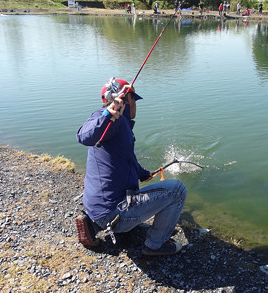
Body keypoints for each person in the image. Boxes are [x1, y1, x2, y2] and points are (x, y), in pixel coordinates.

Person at [76, 77, 187, 256]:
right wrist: (108, 115)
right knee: (177, 190)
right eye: (133, 100)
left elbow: (127, 158)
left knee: (153, 192)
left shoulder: (122, 125)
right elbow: (83, 137)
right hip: (114, 211)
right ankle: (155, 245)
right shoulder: (105, 120)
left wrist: (143, 174)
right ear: (126, 100)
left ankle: (93, 224)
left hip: (99, 206)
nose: (135, 105)